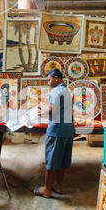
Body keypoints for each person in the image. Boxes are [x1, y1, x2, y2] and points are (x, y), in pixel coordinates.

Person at [34, 68, 74, 198]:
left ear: (56, 78)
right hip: (68, 131)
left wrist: (42, 109)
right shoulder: (67, 90)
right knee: (62, 160)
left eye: (49, 79)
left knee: (51, 161)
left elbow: (53, 110)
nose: (48, 82)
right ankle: (58, 185)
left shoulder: (56, 91)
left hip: (56, 131)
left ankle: (46, 189)